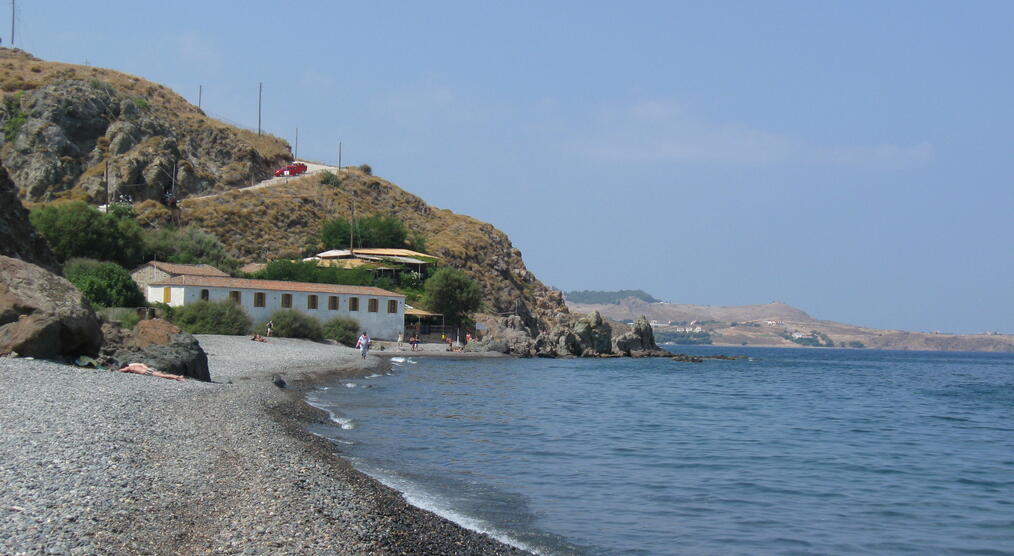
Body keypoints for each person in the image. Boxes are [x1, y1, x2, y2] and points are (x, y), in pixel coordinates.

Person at [116, 362, 185, 381]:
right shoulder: (133, 365)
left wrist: (116, 370)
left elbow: (121, 370)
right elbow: (141, 364)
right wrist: (147, 368)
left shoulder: (129, 367)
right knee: (162, 374)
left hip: (147, 372)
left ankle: (178, 377)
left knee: (163, 376)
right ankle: (177, 377)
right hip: (148, 370)